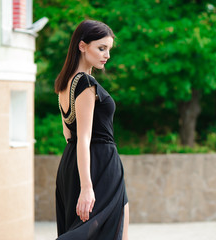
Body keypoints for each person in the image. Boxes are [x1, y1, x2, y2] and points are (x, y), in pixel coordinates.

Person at [54, 19, 129, 240]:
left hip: (72, 165)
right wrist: (87, 187)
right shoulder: (85, 83)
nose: (107, 55)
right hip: (100, 165)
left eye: (108, 49)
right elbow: (84, 138)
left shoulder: (64, 84)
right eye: (101, 48)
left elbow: (69, 135)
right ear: (82, 45)